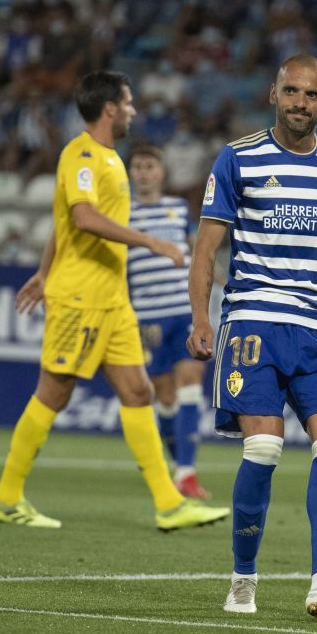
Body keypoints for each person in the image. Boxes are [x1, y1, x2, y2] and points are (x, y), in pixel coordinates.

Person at [187, 55, 317, 618]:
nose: (300, 102)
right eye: (291, 91)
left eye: (312, 94)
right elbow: (207, 248)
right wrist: (201, 319)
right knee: (265, 446)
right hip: (253, 316)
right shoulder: (238, 158)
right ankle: (243, 579)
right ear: (273, 93)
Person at [0, 71, 230, 531]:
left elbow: (63, 222)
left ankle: (169, 504)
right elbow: (81, 217)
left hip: (114, 301)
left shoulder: (110, 159)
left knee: (138, 392)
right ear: (112, 107)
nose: (135, 110)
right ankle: (6, 496)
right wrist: (151, 242)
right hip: (81, 298)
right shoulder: (80, 155)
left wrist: (42, 271)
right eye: (130, 101)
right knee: (53, 394)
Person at [127, 144, 210, 499]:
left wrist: (214, 276)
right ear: (131, 173)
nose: (144, 172)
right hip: (148, 318)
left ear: (161, 172)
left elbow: (195, 249)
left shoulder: (177, 208)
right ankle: (178, 468)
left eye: (150, 166)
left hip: (184, 311)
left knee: (191, 382)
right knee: (164, 398)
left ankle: (187, 474)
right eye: (139, 166)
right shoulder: (121, 215)